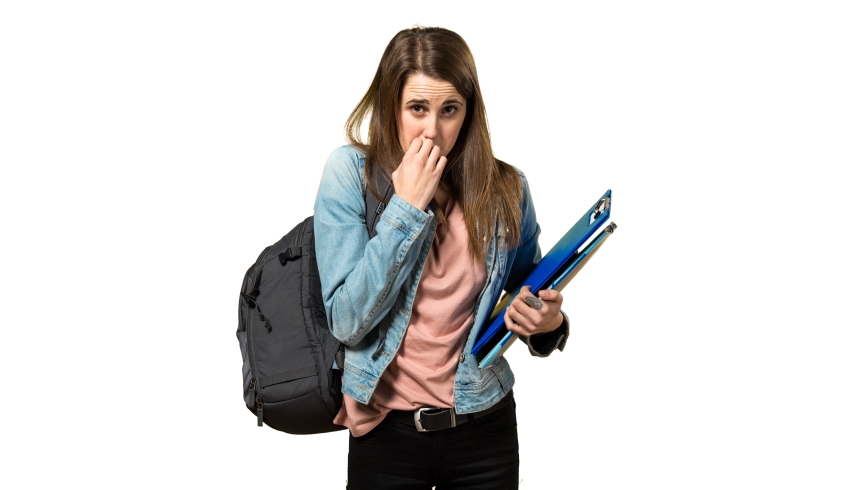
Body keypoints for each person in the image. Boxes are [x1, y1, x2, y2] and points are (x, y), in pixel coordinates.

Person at [313, 26, 569, 490]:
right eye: (417, 108)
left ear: (468, 113)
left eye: (449, 110)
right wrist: (405, 210)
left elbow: (528, 292)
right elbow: (346, 320)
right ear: (391, 105)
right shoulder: (350, 174)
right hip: (386, 432)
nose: (433, 129)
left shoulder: (506, 190)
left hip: (483, 428)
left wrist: (549, 323)